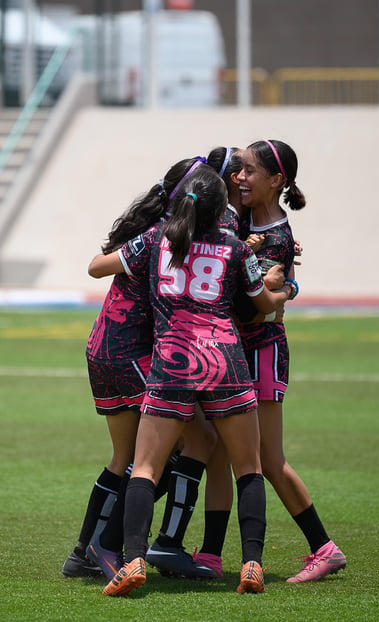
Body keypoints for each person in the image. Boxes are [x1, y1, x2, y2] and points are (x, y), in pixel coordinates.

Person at [89, 164, 295, 596]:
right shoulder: (236, 249)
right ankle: (251, 564)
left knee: (145, 466)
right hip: (225, 362)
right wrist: (285, 288)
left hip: (171, 363)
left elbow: (97, 268)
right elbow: (261, 301)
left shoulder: (153, 240)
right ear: (223, 209)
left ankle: (133, 561)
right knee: (248, 467)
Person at [62, 156, 217, 580]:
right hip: (132, 353)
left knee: (127, 456)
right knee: (196, 441)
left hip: (105, 347)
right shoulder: (166, 236)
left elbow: (100, 266)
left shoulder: (163, 230)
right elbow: (97, 266)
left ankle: (84, 552)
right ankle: (153, 545)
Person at [235, 138, 346, 583]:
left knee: (268, 458)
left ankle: (324, 548)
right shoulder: (246, 220)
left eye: (249, 171)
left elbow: (255, 303)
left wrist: (280, 290)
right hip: (239, 350)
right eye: (238, 169)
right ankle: (197, 551)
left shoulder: (276, 237)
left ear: (277, 180)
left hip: (262, 349)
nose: (240, 177)